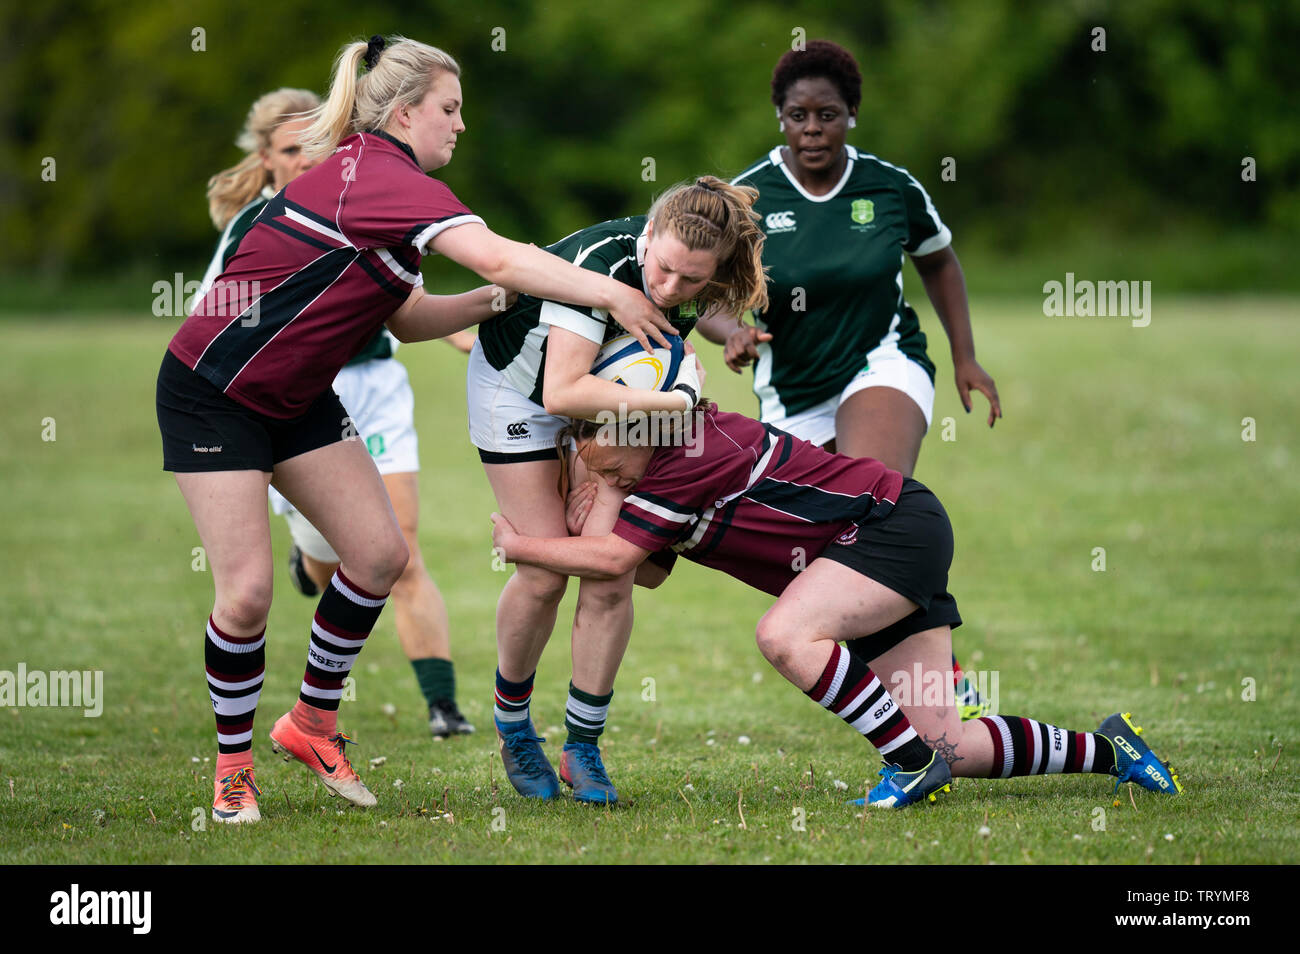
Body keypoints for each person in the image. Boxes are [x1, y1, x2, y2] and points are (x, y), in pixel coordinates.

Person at [159, 34, 677, 825]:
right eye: (450, 109)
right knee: (250, 592)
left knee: (377, 556)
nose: (460, 125)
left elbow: (406, 311)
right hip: (212, 394)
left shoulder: (381, 180)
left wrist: (492, 307)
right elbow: (500, 258)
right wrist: (610, 292)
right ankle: (232, 772)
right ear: (405, 114)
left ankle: (312, 724)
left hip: (295, 399)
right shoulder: (377, 175)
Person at [490, 407, 1183, 808]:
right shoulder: (649, 476)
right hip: (864, 555)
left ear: (629, 419)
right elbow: (646, 576)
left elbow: (613, 563)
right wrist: (599, 503)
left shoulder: (692, 447)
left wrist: (523, 545)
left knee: (786, 635)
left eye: (604, 465)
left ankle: (908, 766)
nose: (607, 481)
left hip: (889, 531)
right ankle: (1110, 749)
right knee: (955, 744)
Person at [695, 40, 1002, 718]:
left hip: (881, 359)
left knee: (876, 497)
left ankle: (943, 674)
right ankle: (910, 664)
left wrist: (964, 355)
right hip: (792, 390)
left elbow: (939, 261)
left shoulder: (890, 187)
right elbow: (703, 294)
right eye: (798, 115)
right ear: (780, 117)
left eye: (827, 114)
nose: (812, 129)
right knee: (832, 546)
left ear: (852, 114)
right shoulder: (746, 199)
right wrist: (733, 334)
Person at [470, 177, 766, 804]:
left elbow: (681, 333)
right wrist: (675, 403)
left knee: (614, 573)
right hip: (519, 392)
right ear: (649, 234)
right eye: (662, 271)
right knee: (546, 570)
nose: (670, 290)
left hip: (617, 398)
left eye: (692, 281)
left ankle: (583, 746)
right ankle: (514, 725)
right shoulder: (599, 263)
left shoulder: (692, 274)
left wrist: (627, 440)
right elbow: (562, 393)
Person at [200, 87, 479, 742]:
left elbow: (400, 292)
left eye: (317, 146)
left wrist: (468, 331)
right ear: (266, 159)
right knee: (338, 557)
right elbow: (215, 321)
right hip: (294, 404)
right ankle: (310, 560)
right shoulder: (257, 227)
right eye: (292, 151)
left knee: (400, 552)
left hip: (376, 387)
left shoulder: (359, 203)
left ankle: (444, 708)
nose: (306, 161)